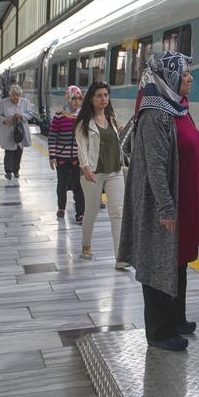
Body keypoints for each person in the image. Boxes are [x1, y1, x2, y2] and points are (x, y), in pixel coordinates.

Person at [118, 51, 199, 352]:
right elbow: (155, 165)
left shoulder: (178, 107)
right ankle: (159, 332)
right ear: (169, 76)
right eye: (185, 72)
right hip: (163, 202)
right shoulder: (155, 113)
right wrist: (165, 207)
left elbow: (180, 143)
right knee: (160, 262)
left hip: (184, 197)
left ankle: (177, 318)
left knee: (179, 261)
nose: (190, 77)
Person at [75, 81, 126, 265]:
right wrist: (85, 167)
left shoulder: (112, 118)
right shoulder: (83, 123)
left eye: (106, 95)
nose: (103, 99)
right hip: (93, 172)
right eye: (99, 95)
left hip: (115, 169)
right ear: (91, 98)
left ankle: (120, 257)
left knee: (118, 212)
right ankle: (86, 244)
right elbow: (81, 148)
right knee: (92, 210)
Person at [49, 86, 86, 223]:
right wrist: (52, 156)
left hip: (78, 158)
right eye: (74, 99)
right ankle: (61, 207)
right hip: (61, 157)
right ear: (68, 99)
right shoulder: (59, 115)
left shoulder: (83, 116)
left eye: (79, 98)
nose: (77, 101)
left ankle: (80, 213)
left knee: (78, 185)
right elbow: (53, 136)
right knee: (62, 184)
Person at [0, 84, 32, 186]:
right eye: (13, 95)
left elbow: (30, 114)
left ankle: (16, 170)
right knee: (9, 152)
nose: (15, 97)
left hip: (20, 131)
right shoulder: (3, 103)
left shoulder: (25, 102)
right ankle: (8, 171)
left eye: (17, 95)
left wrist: (22, 116)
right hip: (8, 132)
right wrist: (5, 120)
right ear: (10, 95)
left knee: (19, 152)